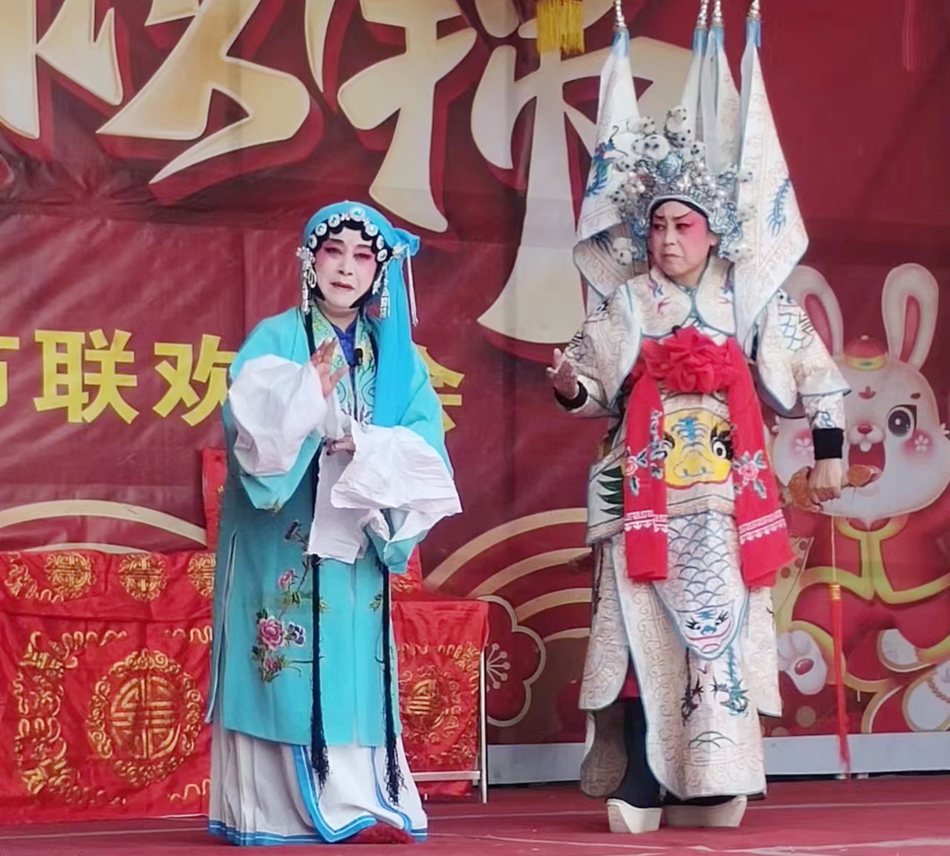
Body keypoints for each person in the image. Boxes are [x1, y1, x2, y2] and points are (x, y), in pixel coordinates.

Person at [551, 6, 849, 835]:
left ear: (715, 231)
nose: (666, 237)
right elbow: (590, 387)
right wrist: (570, 386)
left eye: (681, 225)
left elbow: (819, 376)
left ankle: (714, 778)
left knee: (719, 633)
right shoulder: (626, 302)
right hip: (642, 493)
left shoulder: (750, 301)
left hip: (725, 501)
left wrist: (829, 452)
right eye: (655, 225)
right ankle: (646, 778)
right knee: (641, 627)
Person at [206, 202, 461, 845]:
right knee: (286, 657)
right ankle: (276, 809)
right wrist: (304, 395)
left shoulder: (396, 357)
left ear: (378, 271)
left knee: (354, 658)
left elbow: (426, 442)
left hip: (357, 531)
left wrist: (367, 445)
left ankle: (364, 795)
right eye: (333, 252)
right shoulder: (278, 336)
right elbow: (249, 423)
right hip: (285, 538)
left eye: (362, 256)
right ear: (309, 261)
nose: (346, 268)